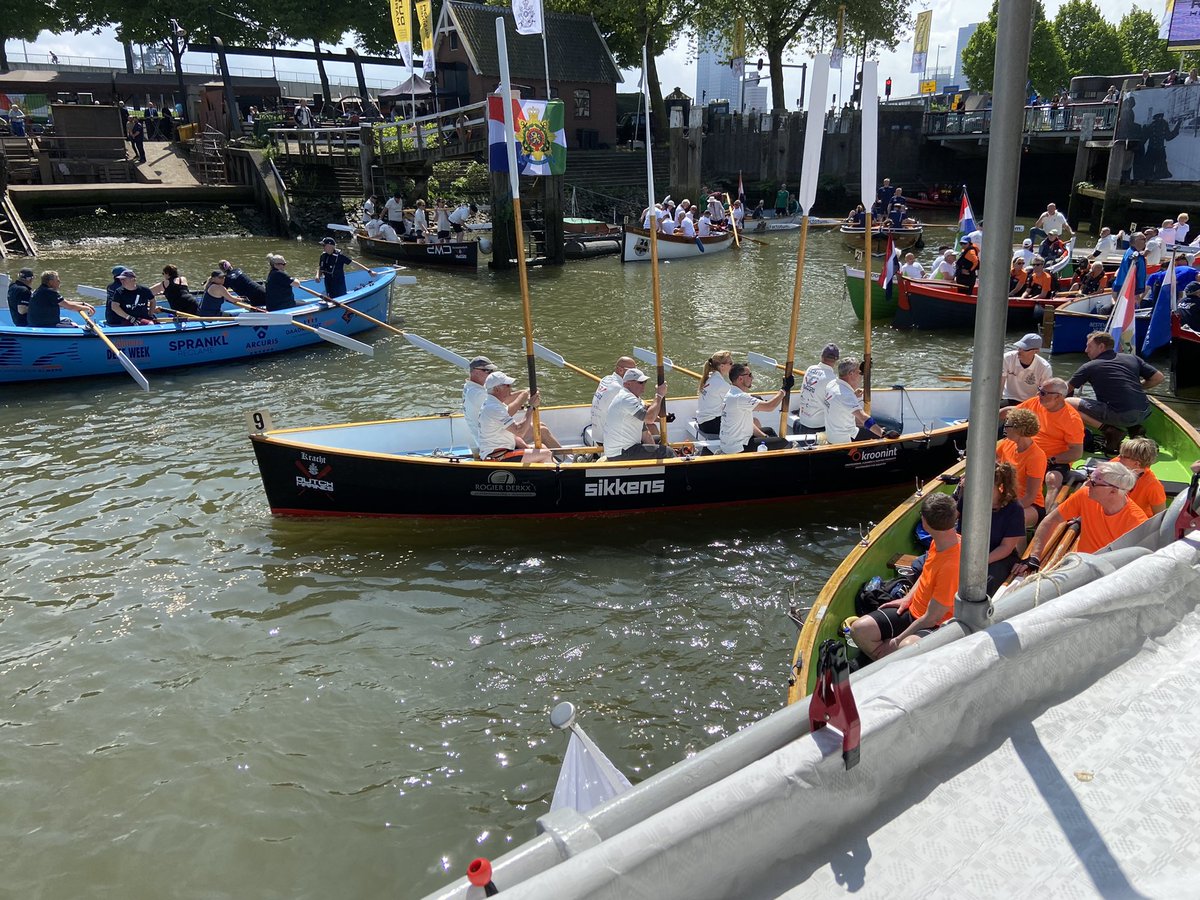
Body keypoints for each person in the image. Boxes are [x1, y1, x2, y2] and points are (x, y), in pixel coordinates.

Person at [849, 492, 960, 660]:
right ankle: (887, 663)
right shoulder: (940, 542)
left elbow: (932, 618)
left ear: (925, 522)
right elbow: (925, 575)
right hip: (914, 610)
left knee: (905, 647)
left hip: (936, 625)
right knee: (859, 629)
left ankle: (892, 665)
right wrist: (907, 598)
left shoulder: (951, 566)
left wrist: (896, 641)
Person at [1015, 461, 1147, 576]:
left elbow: (1136, 567)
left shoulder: (1137, 522)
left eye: (1094, 482)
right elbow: (1051, 520)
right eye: (1090, 478)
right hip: (1082, 565)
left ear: (1113, 491)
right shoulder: (1085, 495)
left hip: (1110, 575)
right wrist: (1035, 556)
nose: (1087, 484)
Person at [1066, 331, 1162, 442]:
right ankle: (1134, 428)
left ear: (1101, 347)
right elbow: (1158, 378)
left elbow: (1065, 389)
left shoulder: (1089, 366)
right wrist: (1136, 387)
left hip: (1121, 415)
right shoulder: (1133, 358)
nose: (1086, 350)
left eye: (1089, 346)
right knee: (1121, 404)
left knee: (1068, 402)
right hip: (1144, 412)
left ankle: (1110, 431)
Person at [1006, 377, 1084, 511]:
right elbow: (1012, 412)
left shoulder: (1072, 419)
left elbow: (1076, 452)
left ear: (1058, 397)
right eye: (1039, 390)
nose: (1038, 395)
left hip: (1054, 459)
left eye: (1043, 393)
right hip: (1028, 451)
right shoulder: (1035, 402)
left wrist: (1050, 460)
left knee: (1052, 480)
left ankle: (1047, 516)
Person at [959, 462, 1026, 594]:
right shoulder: (969, 497)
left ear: (1000, 488)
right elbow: (952, 521)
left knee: (985, 584)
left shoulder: (1014, 509)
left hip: (997, 557)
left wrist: (979, 563)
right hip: (966, 551)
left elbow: (1006, 547)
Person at [477, 371, 557, 463]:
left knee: (541, 447)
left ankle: (561, 467)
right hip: (498, 456)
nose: (511, 388)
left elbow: (514, 430)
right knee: (546, 454)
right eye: (507, 385)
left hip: (503, 450)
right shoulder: (494, 408)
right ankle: (561, 474)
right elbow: (520, 432)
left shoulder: (493, 404)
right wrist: (531, 407)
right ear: (497, 389)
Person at [719, 363, 792, 454]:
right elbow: (770, 406)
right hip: (738, 448)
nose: (752, 378)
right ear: (740, 379)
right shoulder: (740, 397)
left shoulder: (731, 393)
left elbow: (749, 424)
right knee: (783, 443)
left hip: (731, 443)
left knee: (769, 431)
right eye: (750, 375)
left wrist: (765, 437)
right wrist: (784, 389)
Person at [602, 368, 673, 461]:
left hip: (629, 447)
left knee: (661, 440)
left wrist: (654, 449)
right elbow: (650, 419)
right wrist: (659, 395)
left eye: (645, 382)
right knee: (666, 452)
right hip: (621, 452)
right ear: (627, 384)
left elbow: (645, 433)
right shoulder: (626, 398)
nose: (643, 385)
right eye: (640, 382)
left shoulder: (635, 399)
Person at [823, 357, 898, 444]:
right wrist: (883, 433)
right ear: (851, 374)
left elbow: (839, 402)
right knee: (885, 429)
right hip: (845, 439)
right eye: (859, 372)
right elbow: (863, 418)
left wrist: (853, 396)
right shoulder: (846, 395)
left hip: (832, 435)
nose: (861, 375)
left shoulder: (831, 384)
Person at [997, 407, 1048, 528]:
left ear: (1019, 429)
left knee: (1013, 520)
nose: (1004, 428)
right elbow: (988, 461)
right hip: (1005, 499)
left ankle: (1021, 547)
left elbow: (1030, 497)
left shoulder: (1036, 456)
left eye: (1007, 425)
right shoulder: (1005, 444)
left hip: (1031, 505)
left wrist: (1005, 509)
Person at [589, 355, 636, 445]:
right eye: (632, 371)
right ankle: (662, 454)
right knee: (648, 425)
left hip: (597, 435)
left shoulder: (605, 379)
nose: (636, 374)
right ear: (620, 370)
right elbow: (643, 414)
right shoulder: (620, 388)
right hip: (607, 440)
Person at [1116, 436, 1166, 517]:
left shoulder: (1153, 487)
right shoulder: (1116, 464)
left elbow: (1160, 517)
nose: (1118, 458)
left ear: (1137, 464)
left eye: (1122, 456)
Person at [25, 271, 95, 327]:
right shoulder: (49, 292)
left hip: (37, 322)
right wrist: (88, 309)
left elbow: (64, 302)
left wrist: (83, 304)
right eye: (57, 280)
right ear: (51, 282)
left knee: (68, 320)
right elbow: (69, 306)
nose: (59, 282)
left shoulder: (40, 290)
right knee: (75, 327)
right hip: (43, 325)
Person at [796, 343, 840, 432]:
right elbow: (838, 403)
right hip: (817, 426)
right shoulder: (832, 379)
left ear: (821, 356)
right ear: (836, 360)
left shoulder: (810, 369)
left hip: (802, 421)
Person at [1001, 333, 1052, 405]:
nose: (1019, 351)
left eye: (1024, 349)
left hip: (1029, 402)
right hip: (1008, 397)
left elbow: (1044, 392)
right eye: (1019, 347)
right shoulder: (1007, 358)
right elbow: (1001, 382)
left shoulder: (1045, 368)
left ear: (1036, 351)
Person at [461, 355, 497, 457]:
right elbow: (499, 403)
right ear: (475, 372)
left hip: (484, 436)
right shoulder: (476, 393)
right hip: (490, 442)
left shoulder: (469, 387)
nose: (491, 374)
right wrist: (523, 394)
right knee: (541, 430)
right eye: (487, 371)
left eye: (492, 371)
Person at [695, 350, 734, 437]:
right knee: (750, 422)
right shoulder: (721, 384)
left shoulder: (709, 377)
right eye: (731, 363)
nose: (733, 365)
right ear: (722, 366)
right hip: (711, 425)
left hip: (703, 423)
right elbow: (736, 400)